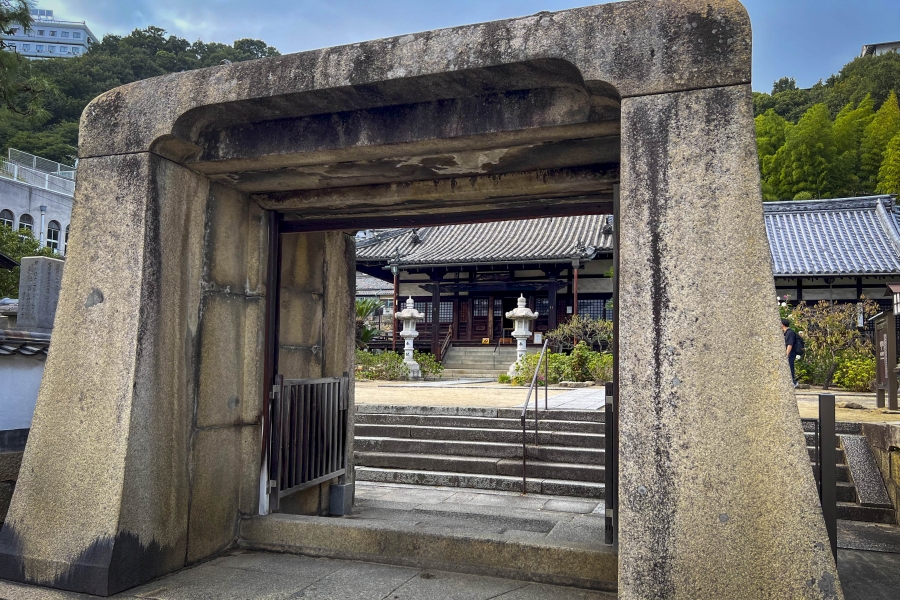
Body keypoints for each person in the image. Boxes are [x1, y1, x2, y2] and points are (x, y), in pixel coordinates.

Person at [782, 318, 799, 387]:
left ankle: (793, 382)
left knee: (790, 367)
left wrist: (786, 354)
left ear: (782, 324)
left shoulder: (789, 332)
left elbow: (790, 344)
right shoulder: (786, 332)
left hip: (790, 353)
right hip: (790, 353)